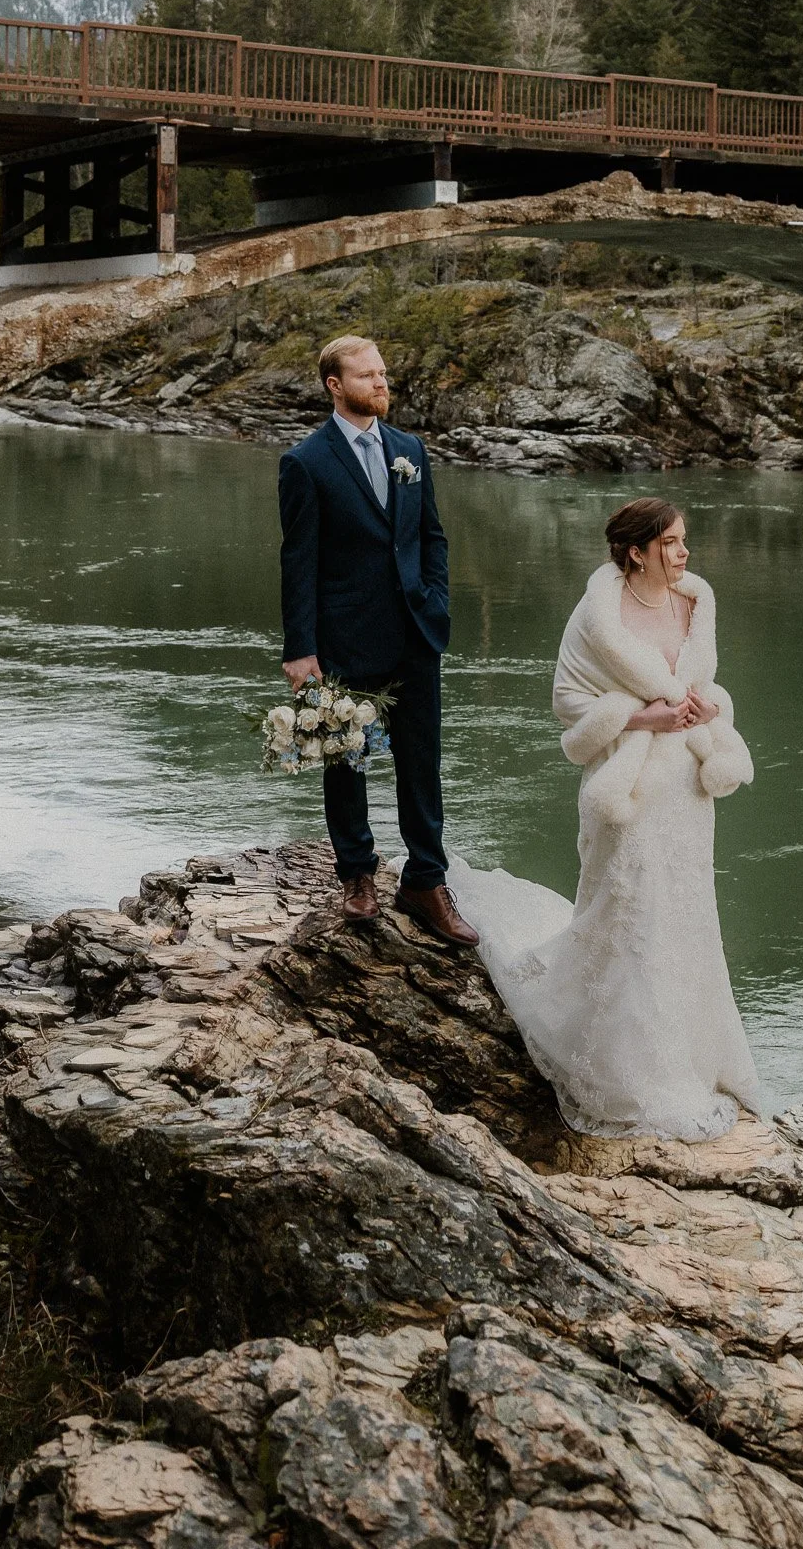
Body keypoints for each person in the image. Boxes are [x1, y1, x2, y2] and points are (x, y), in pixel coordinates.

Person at [448, 497, 764, 1138]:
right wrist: (639, 716)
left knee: (686, 913)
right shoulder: (597, 619)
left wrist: (705, 709)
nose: (683, 554)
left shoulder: (697, 604)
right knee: (630, 911)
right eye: (672, 543)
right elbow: (567, 704)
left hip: (688, 792)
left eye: (684, 542)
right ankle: (629, 1070)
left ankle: (695, 1054)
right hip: (628, 788)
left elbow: (705, 684)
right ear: (636, 552)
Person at [277, 335, 478, 946]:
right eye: (367, 376)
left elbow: (431, 537)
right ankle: (357, 876)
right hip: (342, 637)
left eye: (383, 374)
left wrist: (436, 599)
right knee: (346, 760)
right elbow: (298, 560)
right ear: (335, 385)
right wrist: (300, 649)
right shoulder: (305, 462)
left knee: (422, 762)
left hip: (415, 632)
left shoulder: (409, 450)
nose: (381, 383)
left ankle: (425, 880)